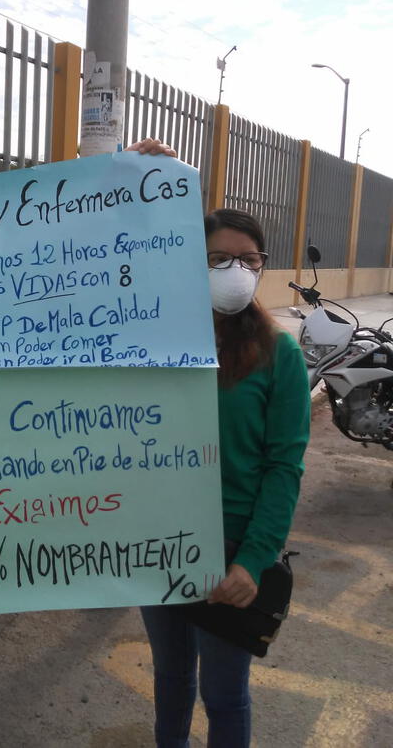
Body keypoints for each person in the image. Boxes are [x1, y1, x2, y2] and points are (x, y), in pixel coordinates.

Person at [139, 205, 310, 748]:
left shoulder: (279, 353)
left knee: (224, 693)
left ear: (262, 266)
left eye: (248, 258)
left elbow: (284, 467)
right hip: (159, 541)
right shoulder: (157, 339)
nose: (235, 269)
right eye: (218, 258)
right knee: (169, 678)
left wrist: (253, 560)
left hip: (230, 551)